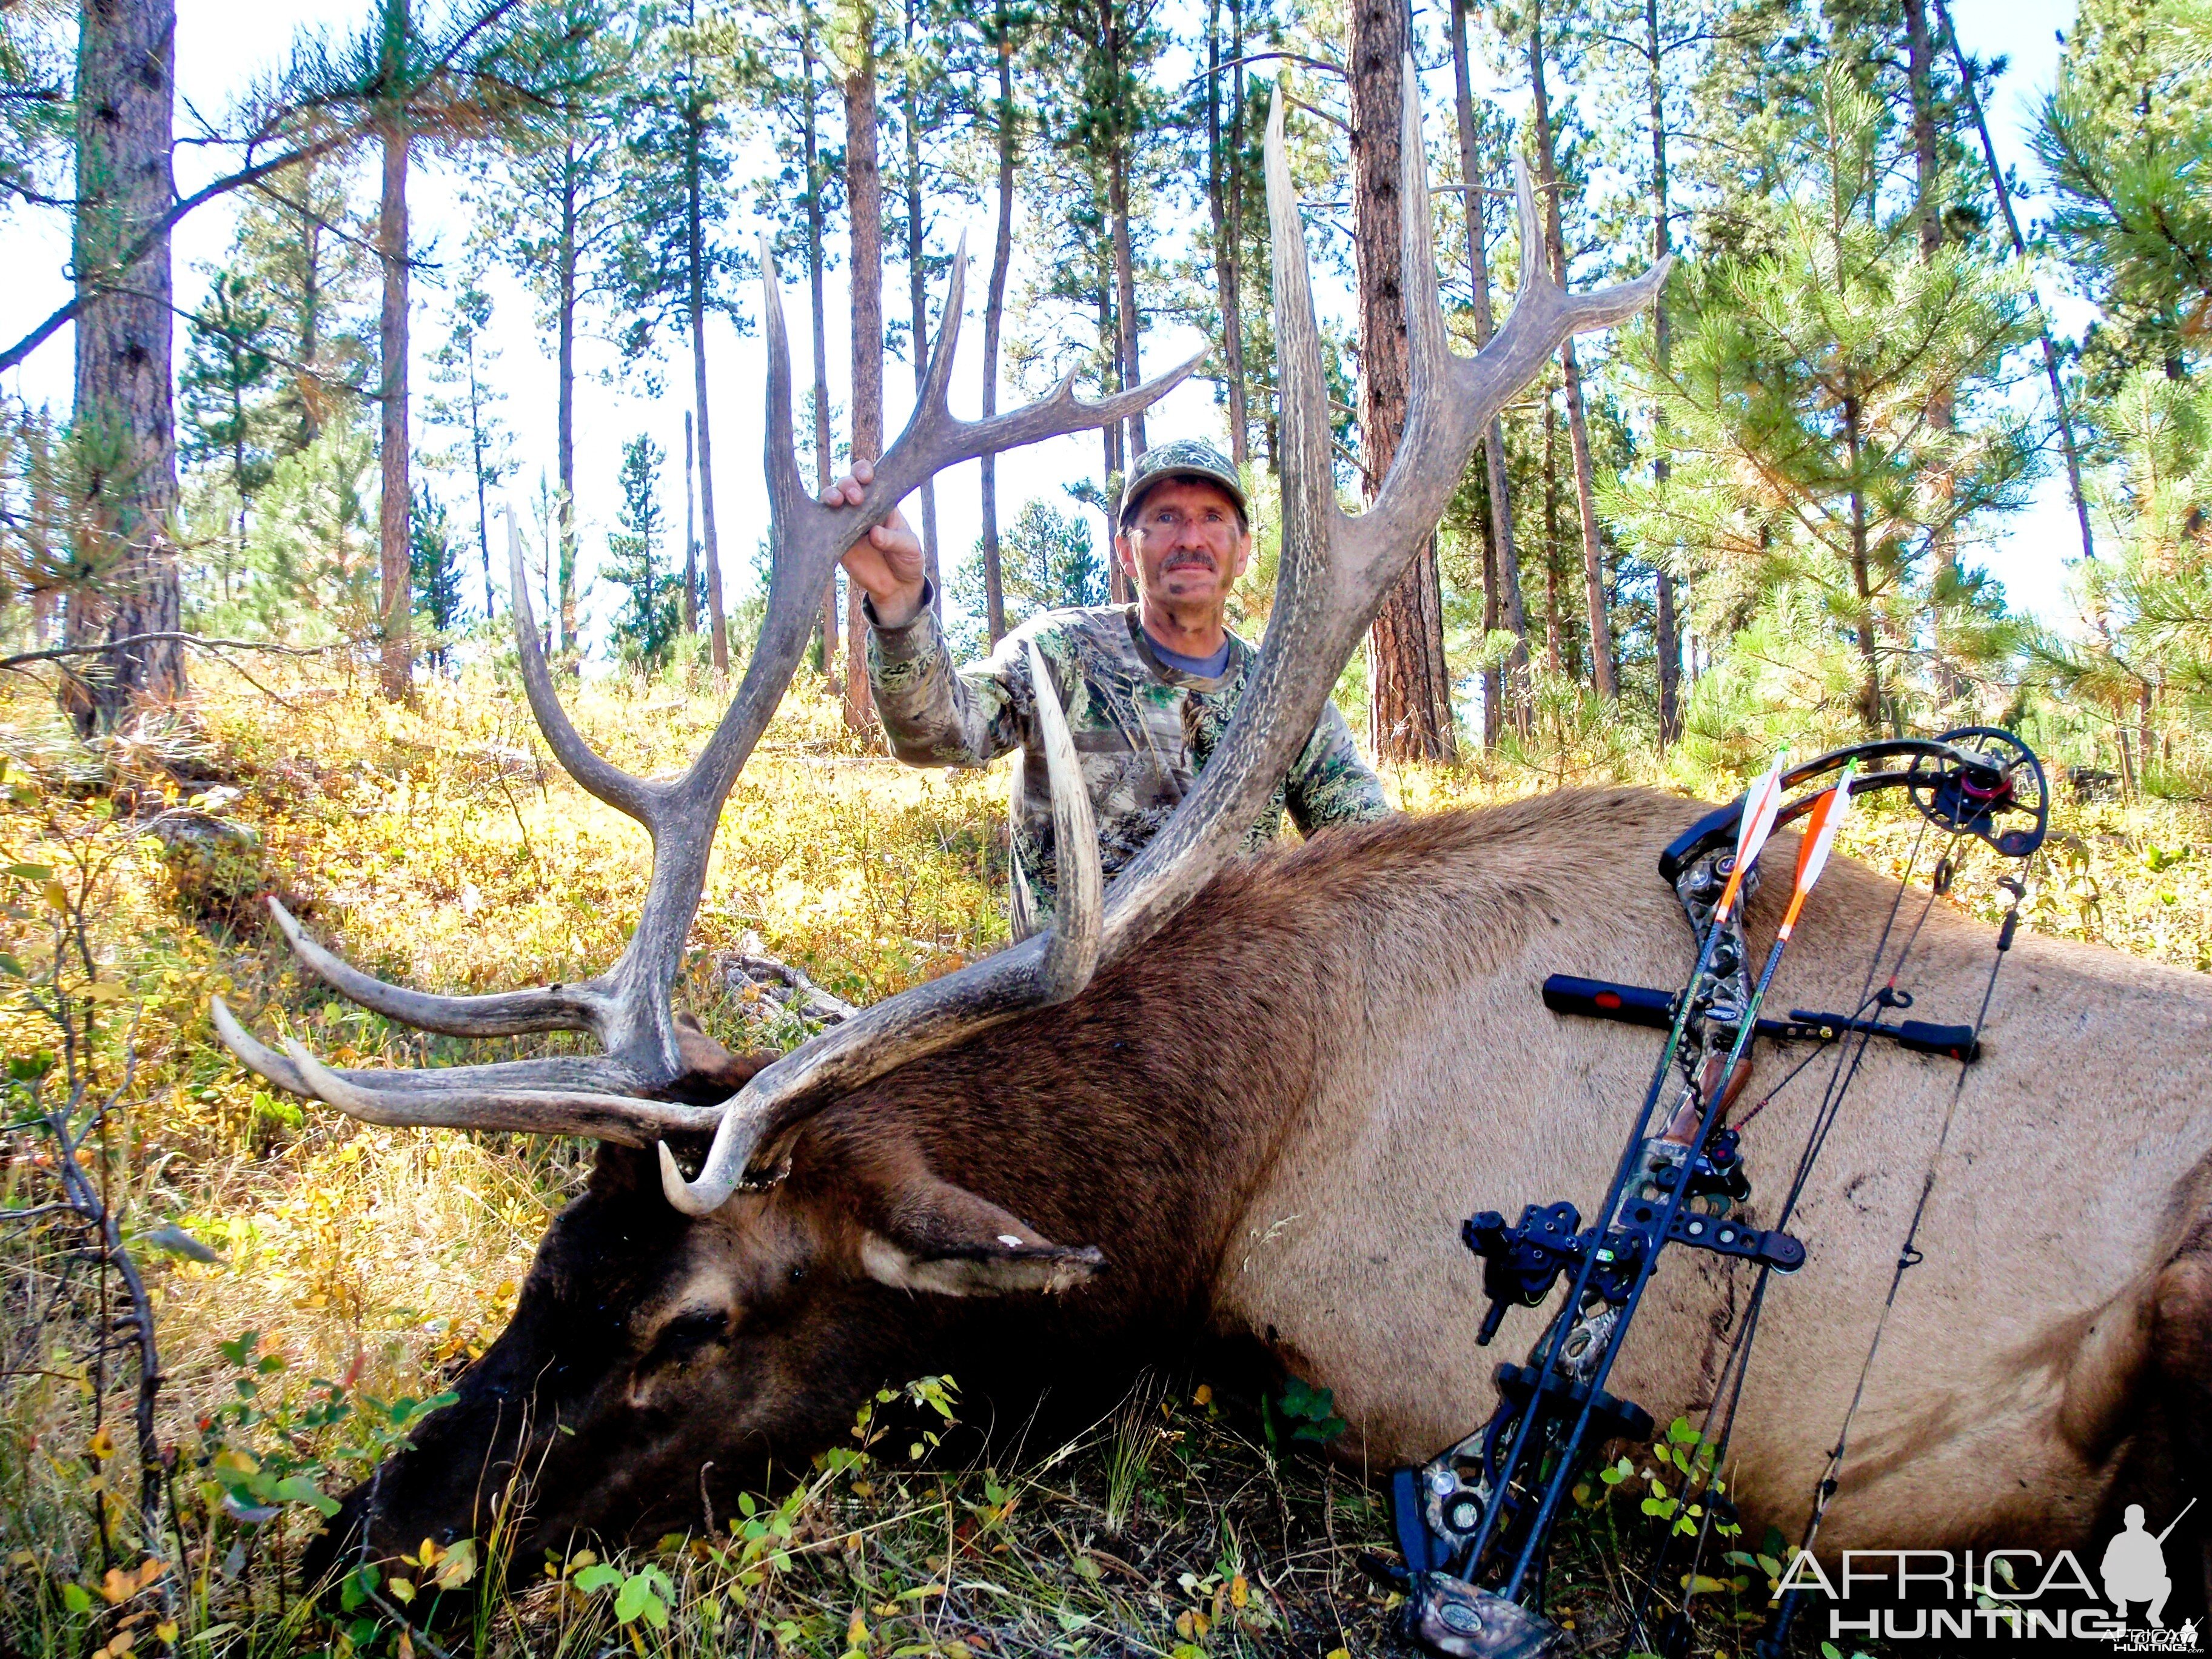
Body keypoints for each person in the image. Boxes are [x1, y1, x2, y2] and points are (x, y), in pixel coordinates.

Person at [830, 438, 1389, 936]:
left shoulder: (1284, 692)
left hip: (1229, 1013)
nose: (1190, 538)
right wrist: (900, 606)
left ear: (1243, 550)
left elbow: (1373, 853)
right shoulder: (1060, 653)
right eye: (1165, 518)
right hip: (1075, 1011)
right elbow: (938, 734)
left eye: (1213, 518)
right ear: (1126, 551)